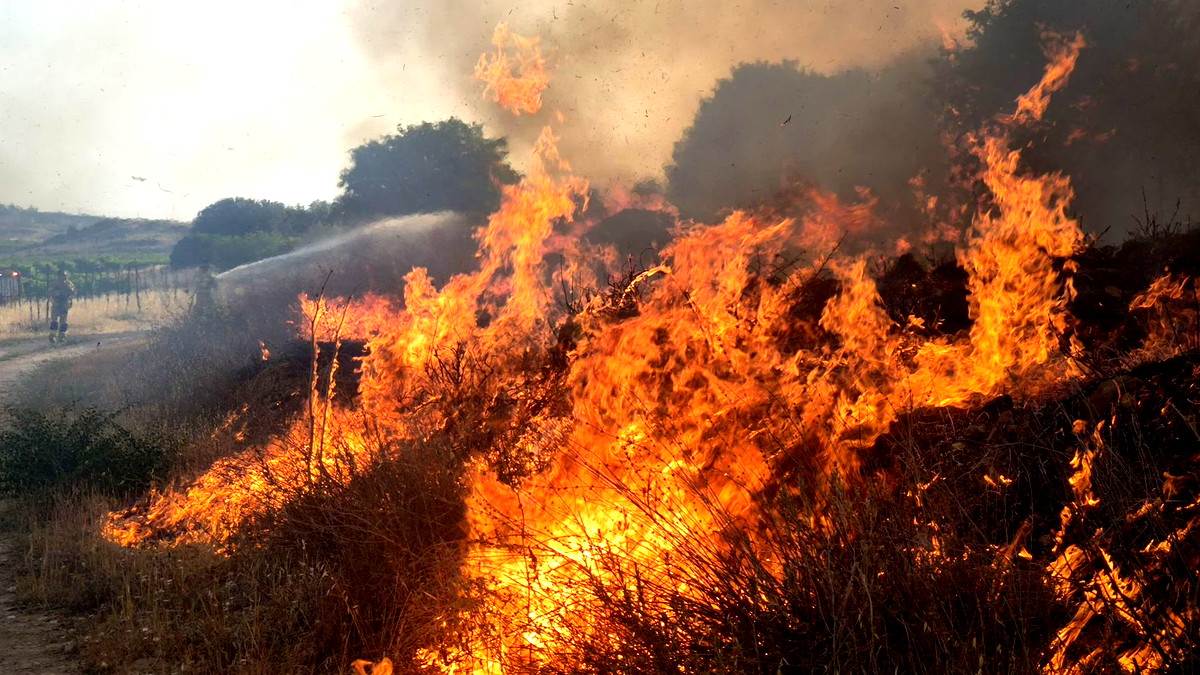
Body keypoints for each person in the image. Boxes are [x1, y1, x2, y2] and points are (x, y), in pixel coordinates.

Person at [47, 268, 76, 344]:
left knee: (63, 321)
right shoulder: (55, 283)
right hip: (56, 303)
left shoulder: (69, 284)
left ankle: (62, 336)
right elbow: (50, 292)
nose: (64, 277)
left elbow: (74, 292)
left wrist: (68, 288)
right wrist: (58, 292)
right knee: (54, 320)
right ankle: (52, 336)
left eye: (65, 275)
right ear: (59, 276)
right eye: (63, 275)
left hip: (65, 304)